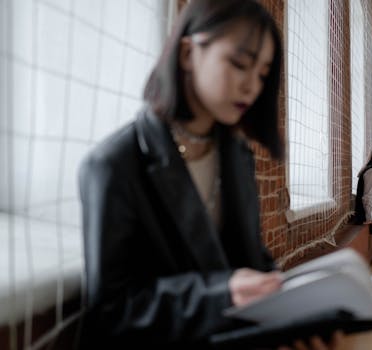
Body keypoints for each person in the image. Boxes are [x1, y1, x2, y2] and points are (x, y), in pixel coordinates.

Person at [78, 1, 343, 348]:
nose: (252, 86)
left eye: (263, 74)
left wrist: (293, 310)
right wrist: (221, 295)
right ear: (188, 53)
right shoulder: (113, 164)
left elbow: (250, 258)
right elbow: (112, 310)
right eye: (239, 64)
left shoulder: (237, 156)